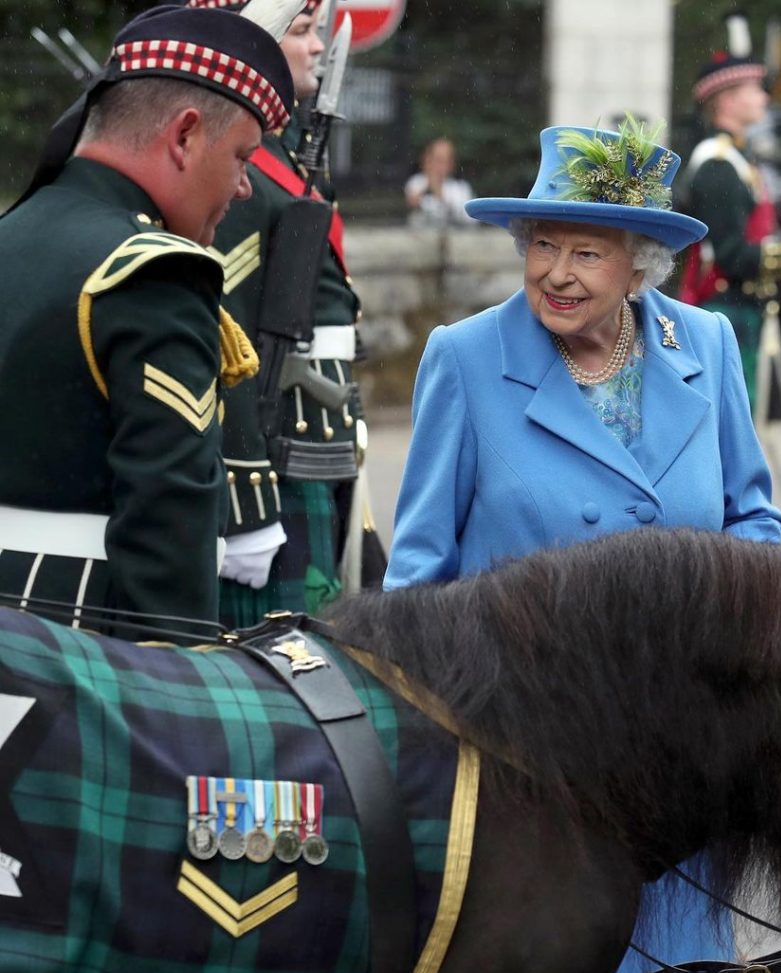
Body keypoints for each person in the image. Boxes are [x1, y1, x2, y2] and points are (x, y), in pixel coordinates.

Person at [385, 116, 781, 973]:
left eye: (588, 253)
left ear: (640, 264)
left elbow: (755, 518)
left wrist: (733, 642)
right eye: (543, 246)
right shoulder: (467, 359)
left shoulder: (708, 347)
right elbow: (418, 575)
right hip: (533, 763)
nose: (557, 273)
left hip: (678, 750)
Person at [0, 1, 298, 639]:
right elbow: (168, 537)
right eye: (243, 156)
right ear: (185, 135)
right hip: (76, 652)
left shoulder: (11, 233)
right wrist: (179, 685)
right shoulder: (153, 273)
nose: (244, 187)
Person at [188, 0, 374, 627]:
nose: (319, 46)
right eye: (301, 32)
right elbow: (227, 330)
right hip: (276, 442)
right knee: (282, 645)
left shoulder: (286, 154)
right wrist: (246, 497)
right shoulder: (240, 170)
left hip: (316, 428)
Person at [679, 12, 781, 422]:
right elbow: (731, 255)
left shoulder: (735, 160)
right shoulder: (717, 165)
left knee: (741, 424)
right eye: (754, 90)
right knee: (726, 429)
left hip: (740, 306)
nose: (764, 98)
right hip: (723, 305)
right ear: (727, 102)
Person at [404, 136, 477, 228]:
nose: (442, 165)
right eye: (438, 160)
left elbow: (470, 220)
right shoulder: (416, 182)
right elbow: (413, 204)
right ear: (427, 160)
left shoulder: (461, 188)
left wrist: (440, 194)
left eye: (446, 160)